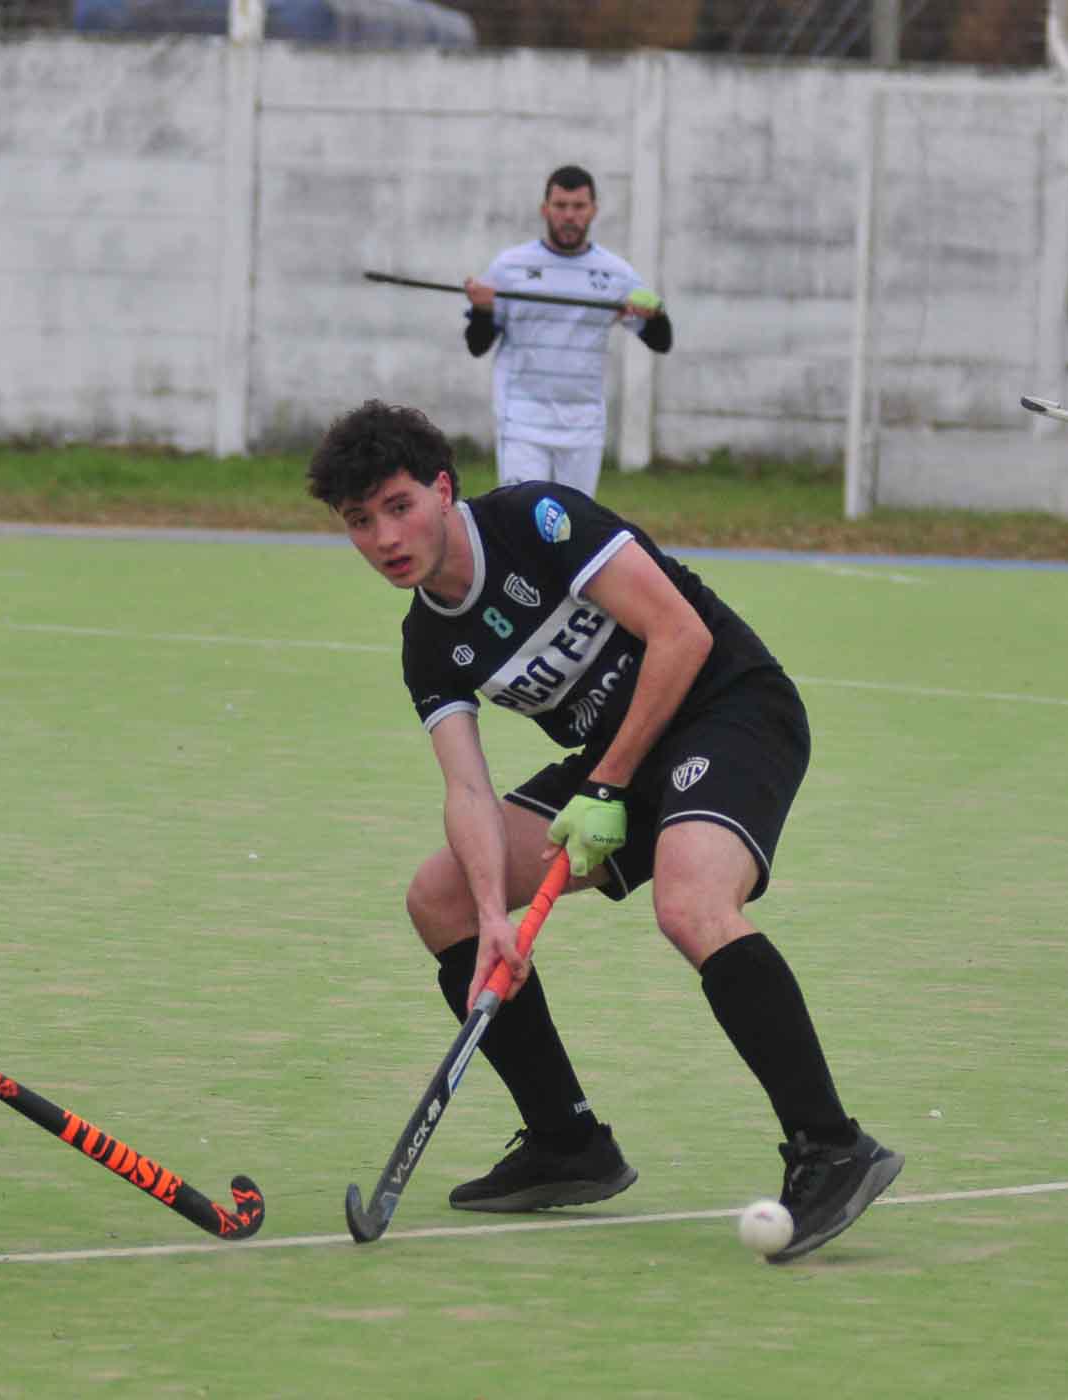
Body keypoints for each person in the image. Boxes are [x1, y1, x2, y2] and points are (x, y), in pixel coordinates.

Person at [306, 400, 900, 1263]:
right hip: (615, 762)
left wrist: (610, 781)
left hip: (726, 707)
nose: (385, 537)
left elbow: (681, 632)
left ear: (442, 490)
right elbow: (467, 789)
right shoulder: (426, 645)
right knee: (440, 899)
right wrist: (491, 916)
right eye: (360, 522)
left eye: (398, 507)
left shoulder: (536, 521)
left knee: (691, 902)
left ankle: (832, 1146)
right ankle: (568, 1143)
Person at [462, 165, 673, 498]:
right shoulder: (509, 267)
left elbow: (661, 341)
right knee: (524, 522)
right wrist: (483, 309)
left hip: (583, 427)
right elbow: (477, 344)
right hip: (522, 421)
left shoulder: (616, 274)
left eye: (578, 207)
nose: (569, 216)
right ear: (545, 210)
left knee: (572, 533)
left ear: (593, 211)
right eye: (560, 207)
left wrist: (655, 315)